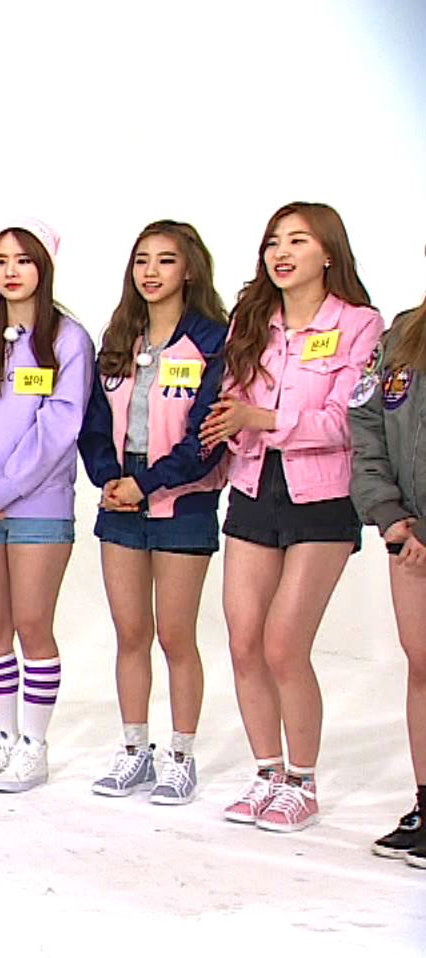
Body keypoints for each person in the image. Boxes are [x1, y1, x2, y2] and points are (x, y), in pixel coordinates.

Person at [200, 202, 380, 833]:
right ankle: (267, 773)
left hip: (322, 498)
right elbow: (232, 403)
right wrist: (229, 423)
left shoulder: (358, 324)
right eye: (274, 241)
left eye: (297, 241)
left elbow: (347, 421)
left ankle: (302, 782)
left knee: (284, 644)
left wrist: (263, 419)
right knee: (244, 640)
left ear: (328, 252)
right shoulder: (252, 322)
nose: (281, 252)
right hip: (253, 487)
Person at [78, 221, 229, 805]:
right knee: (130, 633)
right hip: (121, 497)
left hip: (182, 498)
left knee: (175, 635)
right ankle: (134, 750)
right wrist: (110, 479)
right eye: (142, 259)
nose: (151, 271)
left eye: (165, 260)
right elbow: (93, 423)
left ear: (188, 269)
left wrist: (145, 484)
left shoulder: (212, 341)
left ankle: (181, 757)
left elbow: (206, 439)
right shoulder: (120, 337)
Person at [0, 219, 94, 794]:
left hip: (38, 508)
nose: (11, 271)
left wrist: (3, 490)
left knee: (33, 625)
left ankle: (35, 746)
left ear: (44, 268)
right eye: (0, 261)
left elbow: (60, 426)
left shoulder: (69, 341)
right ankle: (3, 740)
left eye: (23, 260)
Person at [351, 273, 426, 868]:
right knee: (423, 666)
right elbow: (366, 424)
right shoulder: (402, 335)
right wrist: (389, 511)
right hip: (408, 536)